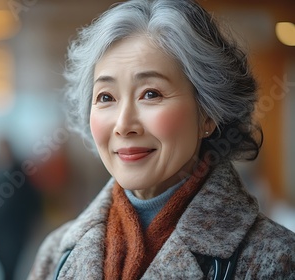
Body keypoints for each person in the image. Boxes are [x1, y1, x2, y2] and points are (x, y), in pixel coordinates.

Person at [28, 0, 295, 279]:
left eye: (151, 94)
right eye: (106, 97)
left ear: (208, 114)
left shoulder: (277, 258)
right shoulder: (56, 254)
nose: (123, 125)